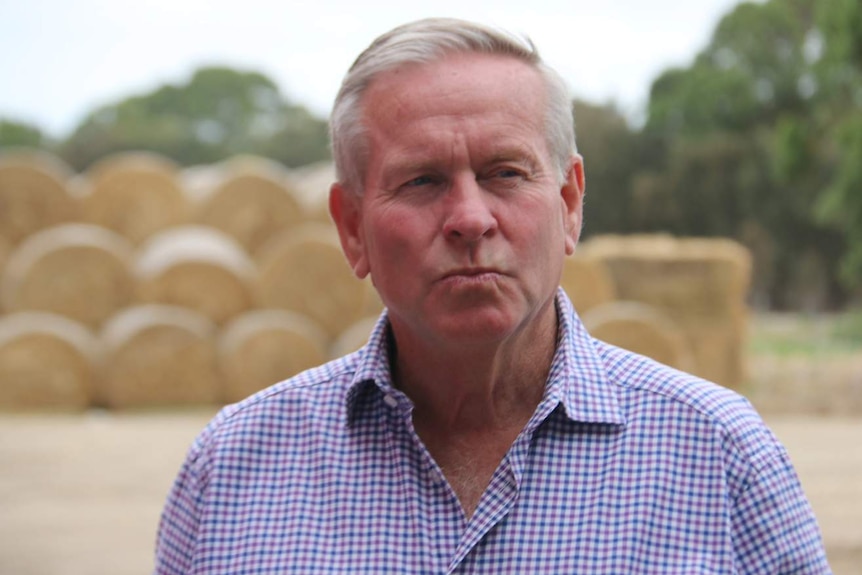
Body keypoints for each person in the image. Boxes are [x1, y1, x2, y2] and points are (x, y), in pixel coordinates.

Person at [154, 18, 831, 574]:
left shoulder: (718, 455)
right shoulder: (234, 468)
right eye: (421, 181)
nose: (470, 217)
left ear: (569, 203)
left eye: (505, 172)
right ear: (351, 227)